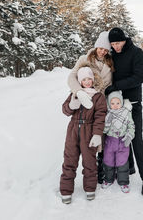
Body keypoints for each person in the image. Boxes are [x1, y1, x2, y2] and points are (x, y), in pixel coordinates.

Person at [105, 27, 143, 196]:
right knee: (118, 135)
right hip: (115, 105)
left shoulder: (137, 53)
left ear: (124, 40)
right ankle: (129, 166)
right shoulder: (111, 56)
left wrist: (117, 86)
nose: (116, 46)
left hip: (132, 103)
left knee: (136, 139)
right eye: (113, 44)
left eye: (118, 43)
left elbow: (139, 77)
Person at [67, 31, 114, 183]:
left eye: (106, 50)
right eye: (101, 48)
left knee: (99, 134)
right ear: (96, 46)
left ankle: (99, 169)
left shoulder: (110, 63)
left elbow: (111, 84)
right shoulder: (84, 59)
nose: (103, 51)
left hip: (101, 102)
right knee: (83, 137)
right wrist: (79, 92)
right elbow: (71, 77)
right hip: (84, 101)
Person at [60, 66, 107, 204]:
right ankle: (66, 190)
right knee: (69, 160)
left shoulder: (98, 96)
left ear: (93, 80)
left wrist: (97, 134)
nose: (87, 82)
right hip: (73, 130)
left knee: (89, 161)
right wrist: (71, 106)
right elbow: (65, 110)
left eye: (89, 79)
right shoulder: (75, 94)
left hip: (89, 130)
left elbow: (100, 116)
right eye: (84, 79)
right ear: (80, 81)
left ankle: (90, 188)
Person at [101, 91, 135, 193]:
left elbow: (131, 126)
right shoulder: (108, 114)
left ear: (121, 103)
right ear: (109, 104)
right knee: (108, 161)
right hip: (110, 141)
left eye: (117, 103)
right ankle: (108, 179)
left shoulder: (126, 113)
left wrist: (129, 136)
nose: (115, 106)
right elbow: (104, 131)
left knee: (122, 162)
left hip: (123, 141)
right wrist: (107, 122)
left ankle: (123, 182)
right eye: (112, 103)